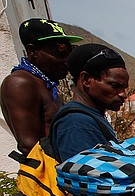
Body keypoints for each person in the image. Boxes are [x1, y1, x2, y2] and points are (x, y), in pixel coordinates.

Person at [1, 18, 82, 154]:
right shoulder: (21, 82)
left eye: (70, 51)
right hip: (49, 172)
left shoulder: (45, 84)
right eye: (60, 51)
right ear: (32, 51)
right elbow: (29, 146)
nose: (66, 60)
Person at [52, 44, 127, 161]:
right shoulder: (76, 123)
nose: (123, 94)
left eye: (124, 88)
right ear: (86, 79)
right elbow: (86, 175)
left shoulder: (91, 117)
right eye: (115, 86)